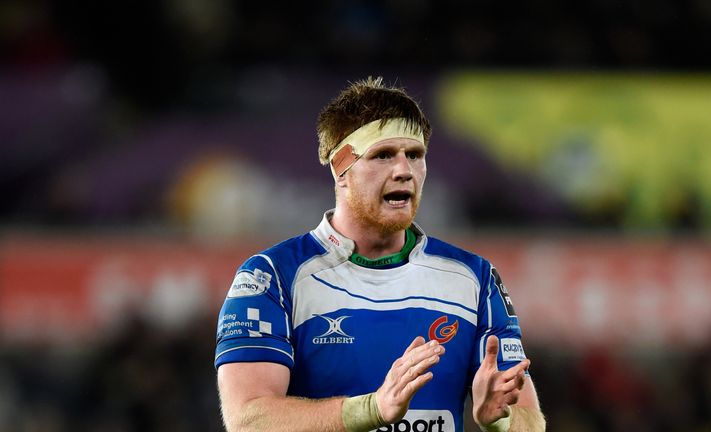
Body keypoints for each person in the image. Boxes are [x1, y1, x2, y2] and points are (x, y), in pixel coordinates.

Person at [215, 77, 545, 432]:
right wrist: (372, 409)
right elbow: (248, 419)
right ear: (341, 168)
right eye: (383, 155)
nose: (404, 171)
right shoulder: (272, 277)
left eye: (414, 155)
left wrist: (501, 420)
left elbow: (531, 422)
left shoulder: (475, 278)